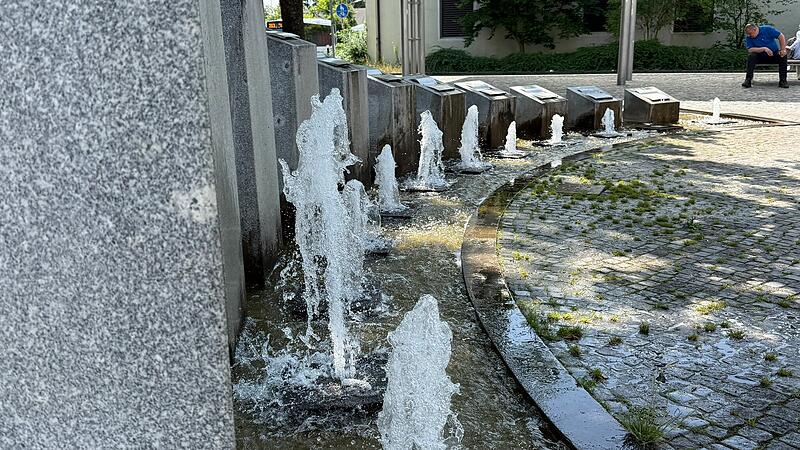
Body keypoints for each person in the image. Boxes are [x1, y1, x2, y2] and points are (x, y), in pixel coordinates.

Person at [742, 23, 789, 88]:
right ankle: (748, 80)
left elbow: (781, 36)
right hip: (759, 57)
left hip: (773, 55)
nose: (749, 35)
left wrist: (783, 49)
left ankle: (783, 81)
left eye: (750, 34)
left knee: (783, 56)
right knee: (751, 56)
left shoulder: (767, 29)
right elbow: (750, 49)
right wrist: (764, 49)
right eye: (748, 34)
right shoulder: (749, 37)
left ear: (755, 29)